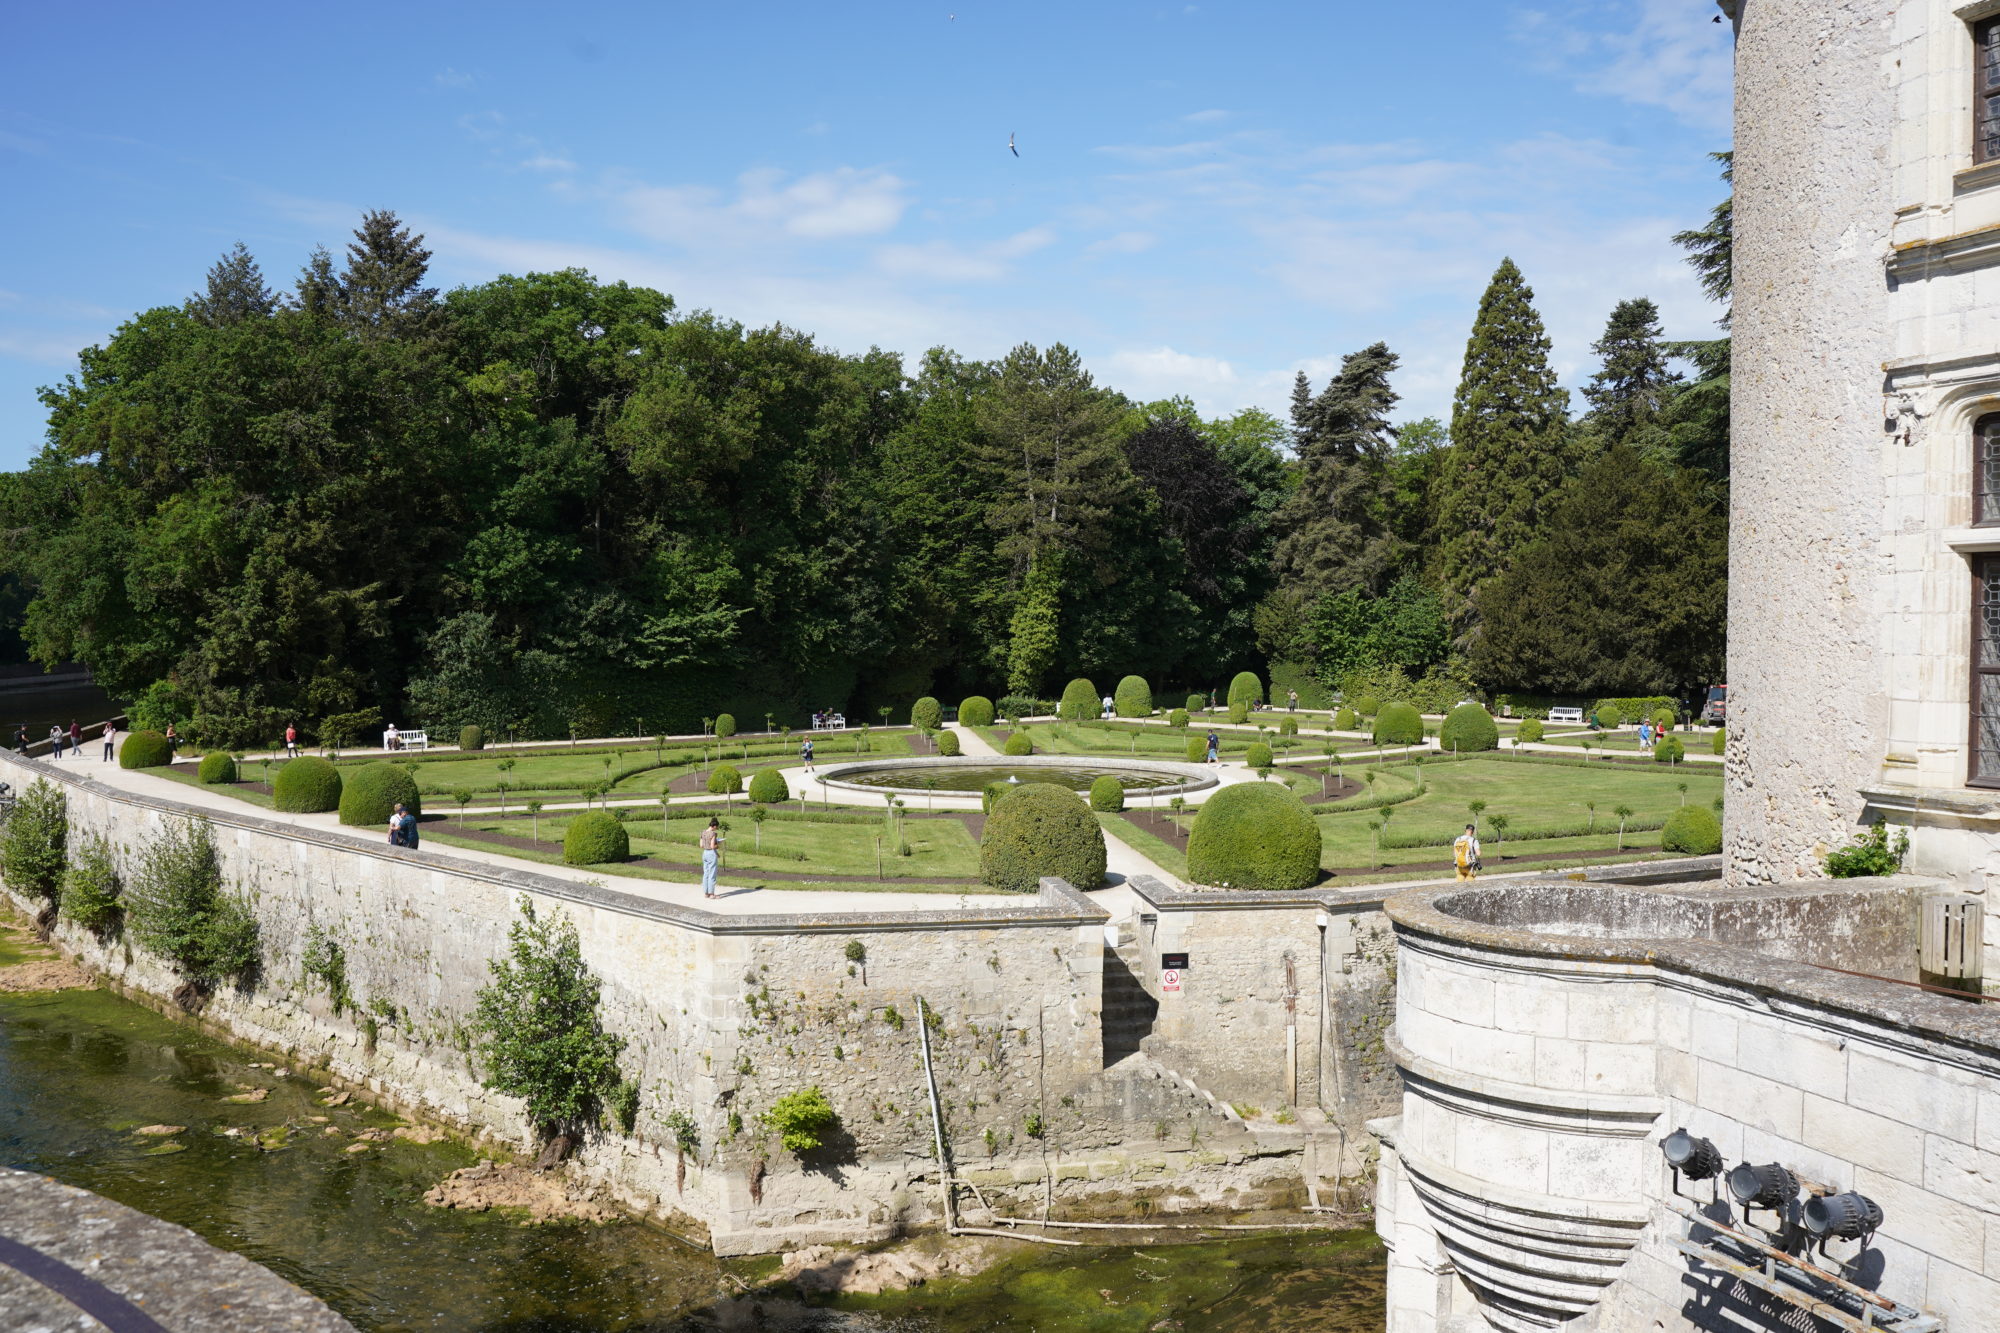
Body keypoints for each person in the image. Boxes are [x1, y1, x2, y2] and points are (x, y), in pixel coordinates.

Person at [699, 817, 724, 898]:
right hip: (711, 854)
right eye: (716, 827)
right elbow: (713, 846)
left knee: (706, 873)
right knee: (712, 874)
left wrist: (717, 854)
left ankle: (706, 893)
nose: (716, 829)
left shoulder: (703, 832)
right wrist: (718, 844)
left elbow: (701, 845)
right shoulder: (713, 834)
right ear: (714, 826)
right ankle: (712, 894)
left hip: (705, 853)